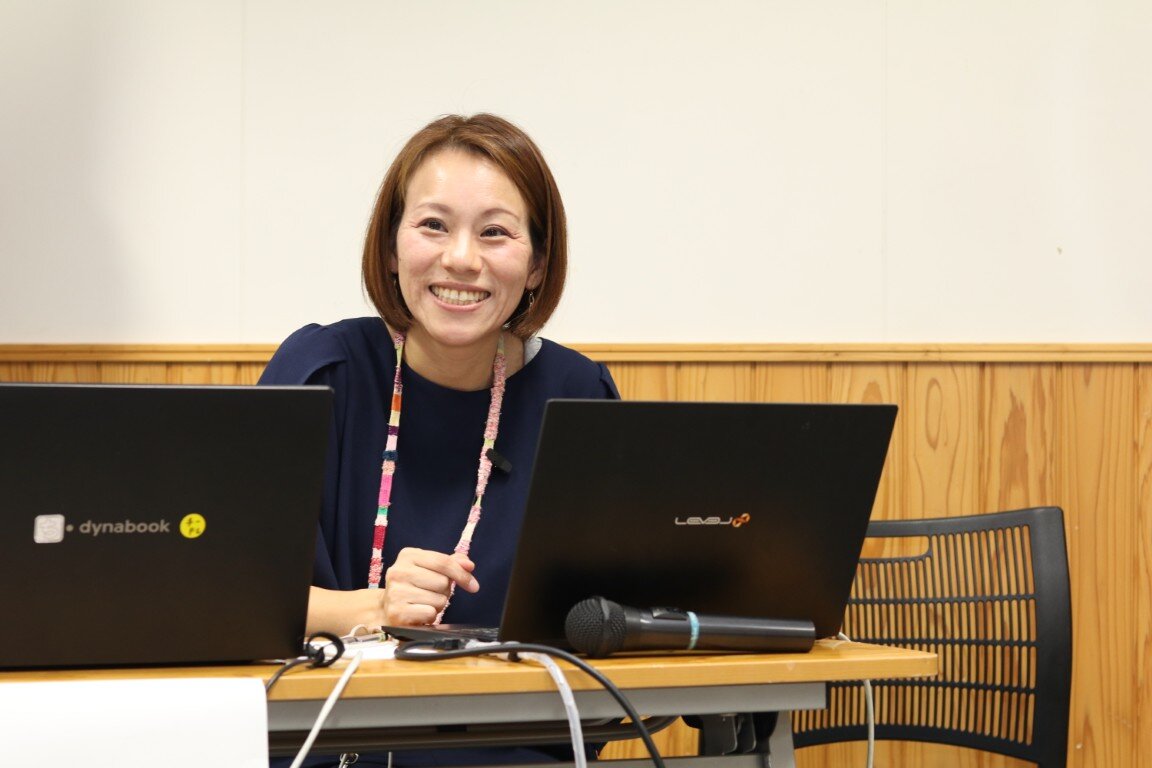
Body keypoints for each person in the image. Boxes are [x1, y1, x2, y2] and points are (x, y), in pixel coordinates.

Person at [260, 113, 620, 768]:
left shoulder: (577, 395)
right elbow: (232, 597)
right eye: (433, 225)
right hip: (323, 743)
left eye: (495, 232)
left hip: (513, 747)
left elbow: (608, 614)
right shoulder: (320, 374)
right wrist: (376, 606)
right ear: (391, 247)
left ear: (537, 264)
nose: (461, 258)